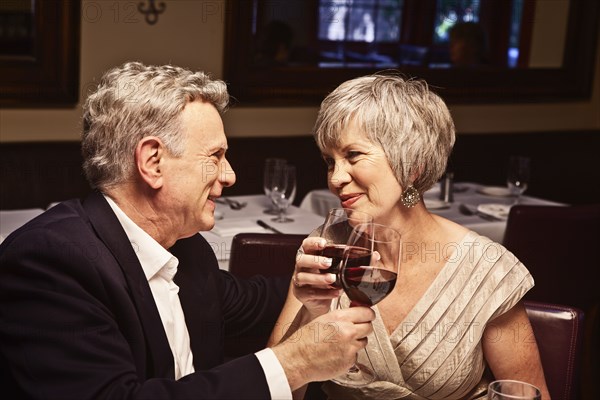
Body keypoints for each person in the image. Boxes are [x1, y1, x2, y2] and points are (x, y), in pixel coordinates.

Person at [0, 62, 375, 399]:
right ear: (153, 162)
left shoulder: (186, 249)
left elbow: (255, 300)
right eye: (214, 157)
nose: (229, 176)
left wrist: (323, 282)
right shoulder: (50, 262)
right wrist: (293, 364)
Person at [268, 73, 551, 399]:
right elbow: (276, 387)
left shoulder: (486, 269)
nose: (336, 178)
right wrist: (311, 310)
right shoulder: (329, 247)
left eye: (353, 156)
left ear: (412, 164)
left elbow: (529, 394)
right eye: (330, 161)